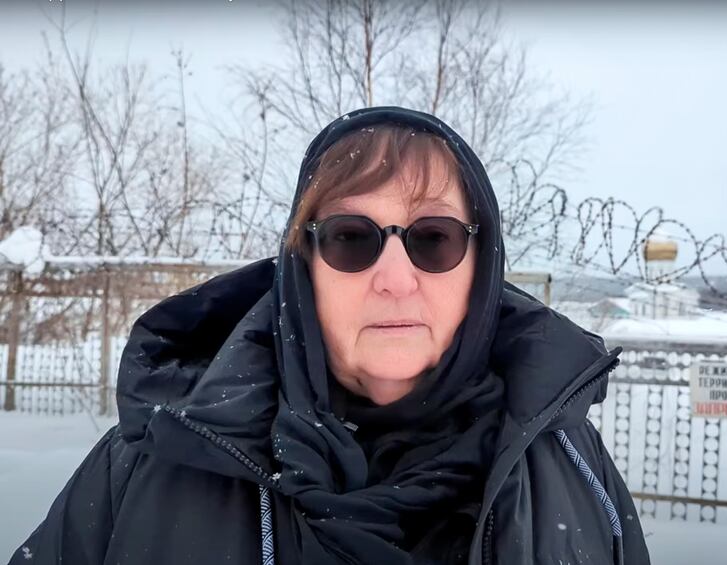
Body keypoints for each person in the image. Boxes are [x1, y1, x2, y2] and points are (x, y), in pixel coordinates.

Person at [8, 107, 650, 565]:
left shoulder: (570, 465)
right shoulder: (152, 460)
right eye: (350, 238)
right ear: (303, 267)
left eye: (434, 238)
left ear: (480, 271)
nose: (394, 279)